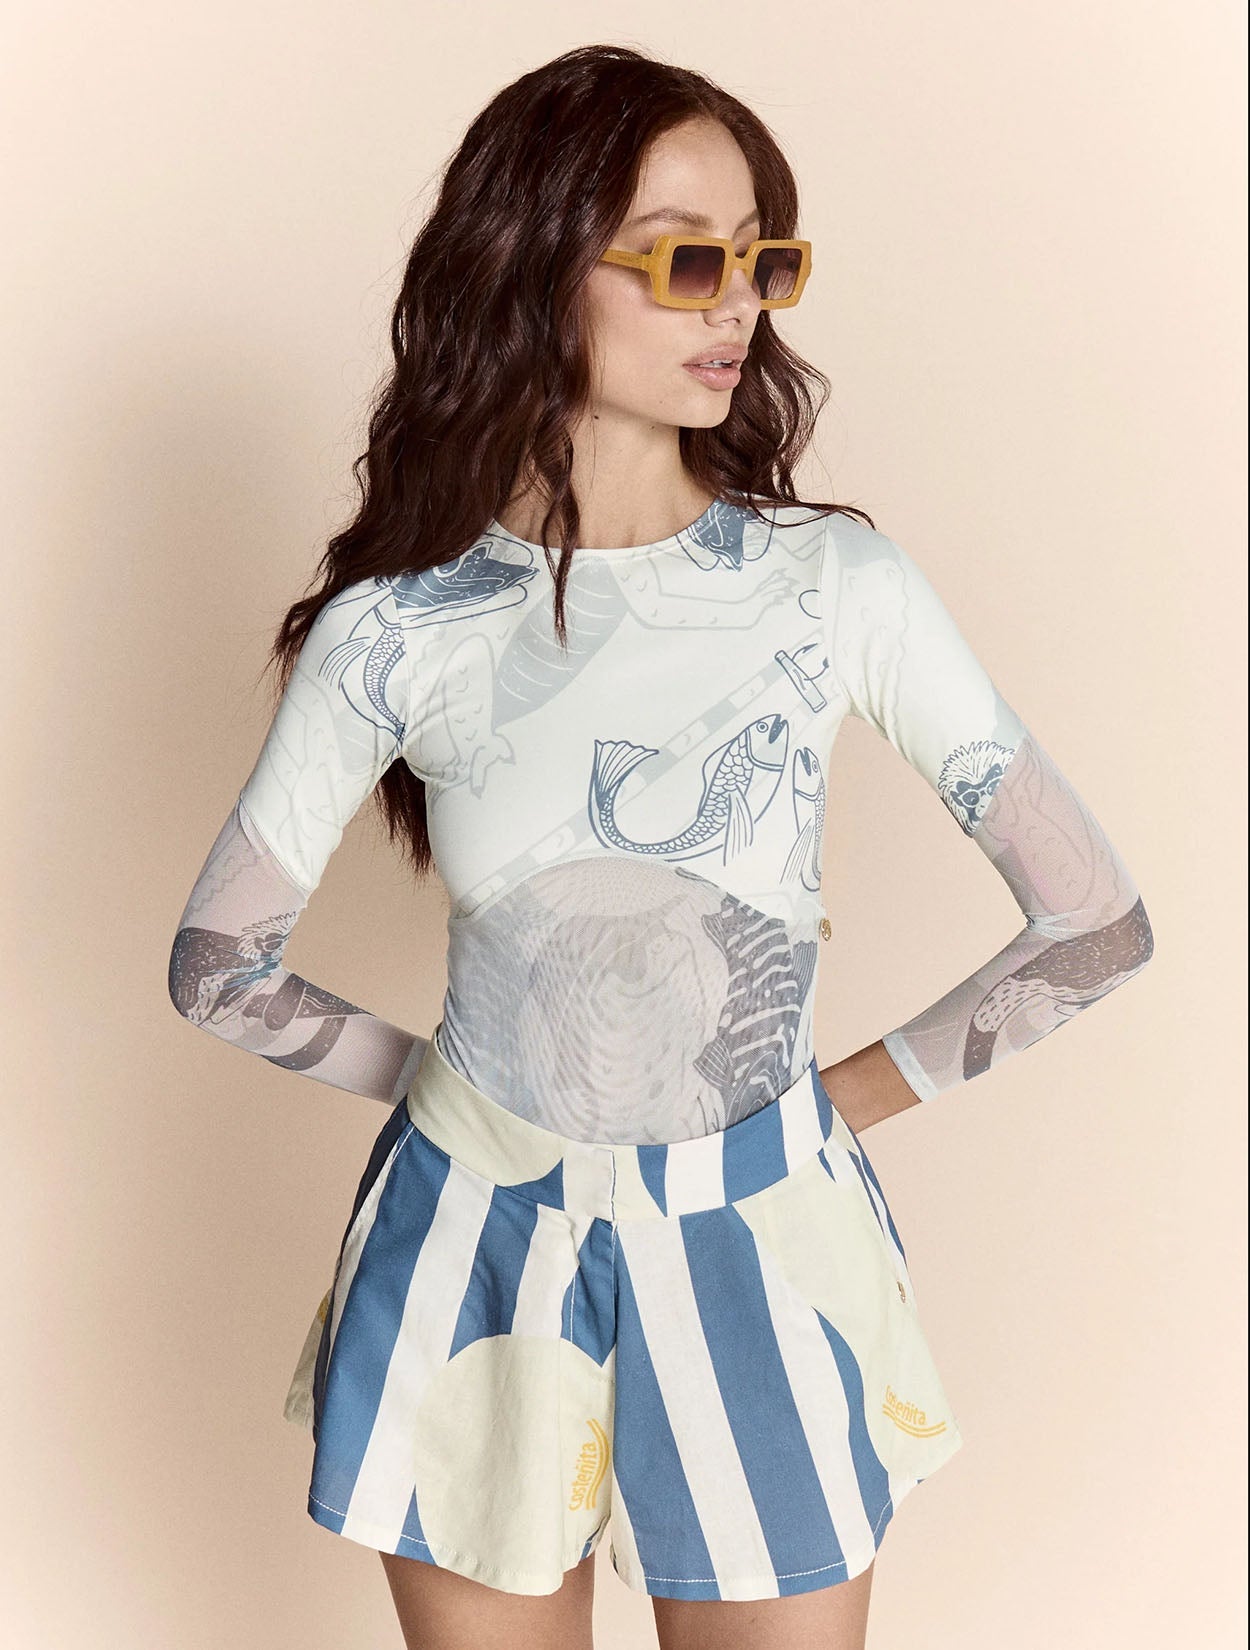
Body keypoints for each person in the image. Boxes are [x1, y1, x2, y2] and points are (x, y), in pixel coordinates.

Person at [167, 43, 1154, 1650]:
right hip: (471, 1245)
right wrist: (450, 1087)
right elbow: (218, 965)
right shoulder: (396, 631)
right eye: (687, 259)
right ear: (532, 263)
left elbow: (1094, 921)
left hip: (768, 1239)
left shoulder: (835, 589)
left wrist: (837, 1103)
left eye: (763, 259)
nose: (737, 305)